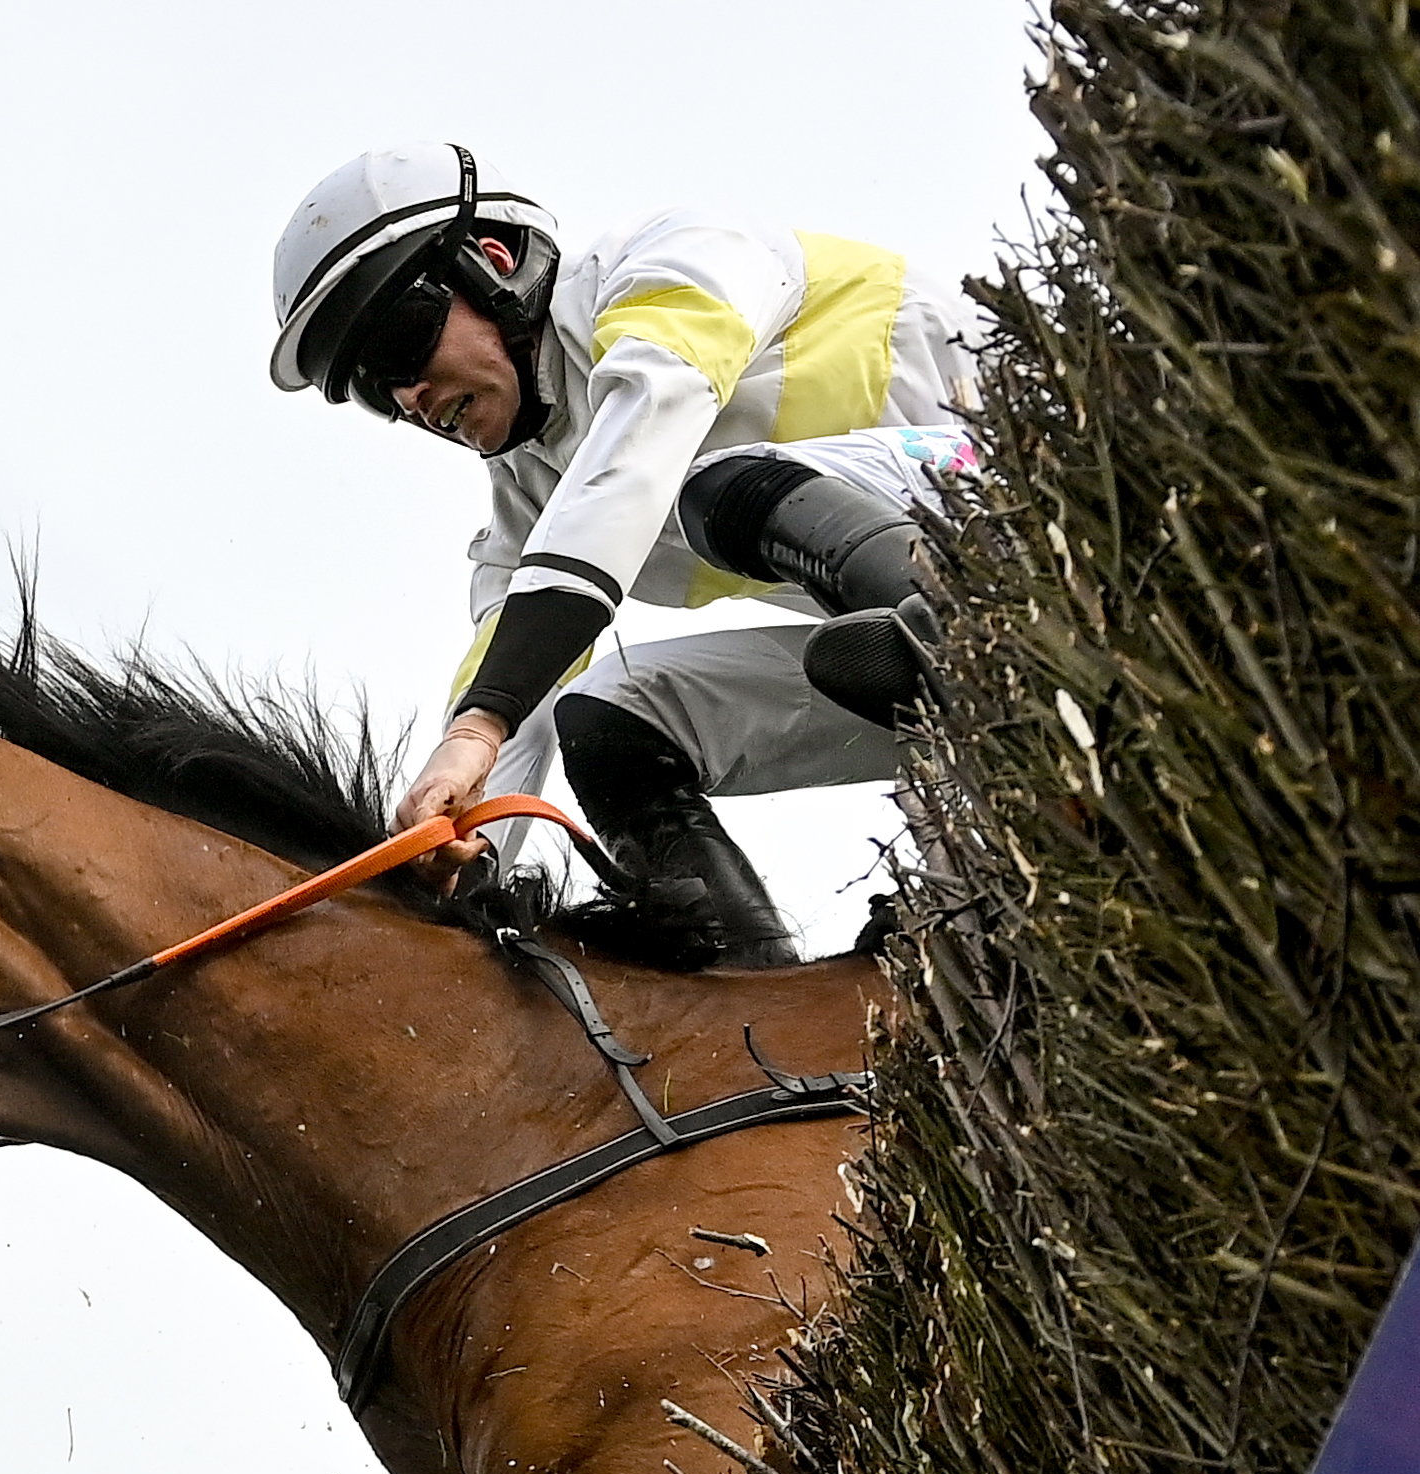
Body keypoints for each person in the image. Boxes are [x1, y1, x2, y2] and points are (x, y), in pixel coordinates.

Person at [267, 143, 980, 964]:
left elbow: (636, 451)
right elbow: (510, 691)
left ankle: (978, 659)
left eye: (397, 345)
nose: (407, 397)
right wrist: (462, 844)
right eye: (367, 388)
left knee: (713, 487)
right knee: (607, 713)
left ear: (490, 263)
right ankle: (755, 1003)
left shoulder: (672, 259)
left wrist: (481, 721)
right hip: (908, 663)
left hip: (1032, 509)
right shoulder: (534, 493)